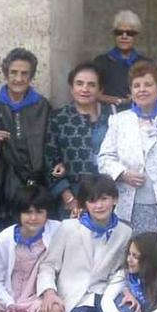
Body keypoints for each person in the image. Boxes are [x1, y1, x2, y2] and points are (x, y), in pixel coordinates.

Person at [98, 60, 157, 268]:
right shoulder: (120, 120)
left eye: (148, 85)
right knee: (131, 261)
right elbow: (104, 158)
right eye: (136, 86)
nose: (142, 90)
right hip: (129, 206)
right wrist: (122, 174)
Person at [37, 175, 132, 312]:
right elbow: (48, 265)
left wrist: (126, 289)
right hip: (76, 298)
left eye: (104, 199)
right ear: (84, 204)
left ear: (115, 200)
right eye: (92, 200)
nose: (99, 205)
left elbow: (121, 269)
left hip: (105, 295)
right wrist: (49, 292)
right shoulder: (68, 227)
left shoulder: (125, 232)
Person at [0, 184, 64, 312]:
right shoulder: (3, 241)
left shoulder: (57, 230)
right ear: (18, 213)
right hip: (12, 302)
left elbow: (78, 228)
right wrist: (10, 304)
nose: (34, 218)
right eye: (28, 212)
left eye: (39, 212)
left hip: (40, 299)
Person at [0, 48, 51, 221]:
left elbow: (49, 142)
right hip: (2, 182)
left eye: (25, 73)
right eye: (14, 72)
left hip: (35, 181)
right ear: (5, 73)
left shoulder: (42, 106)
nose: (18, 79)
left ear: (31, 77)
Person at [44, 63, 113, 218]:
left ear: (100, 89)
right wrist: (68, 198)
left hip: (107, 196)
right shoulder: (59, 118)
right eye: (79, 83)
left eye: (91, 85)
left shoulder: (112, 117)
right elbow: (50, 161)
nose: (84, 89)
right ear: (71, 87)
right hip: (72, 198)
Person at [94, 10, 149, 109]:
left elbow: (153, 91)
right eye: (119, 32)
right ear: (114, 35)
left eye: (130, 33)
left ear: (136, 36)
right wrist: (118, 101)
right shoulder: (100, 62)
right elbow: (92, 92)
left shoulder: (146, 63)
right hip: (108, 114)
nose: (124, 36)